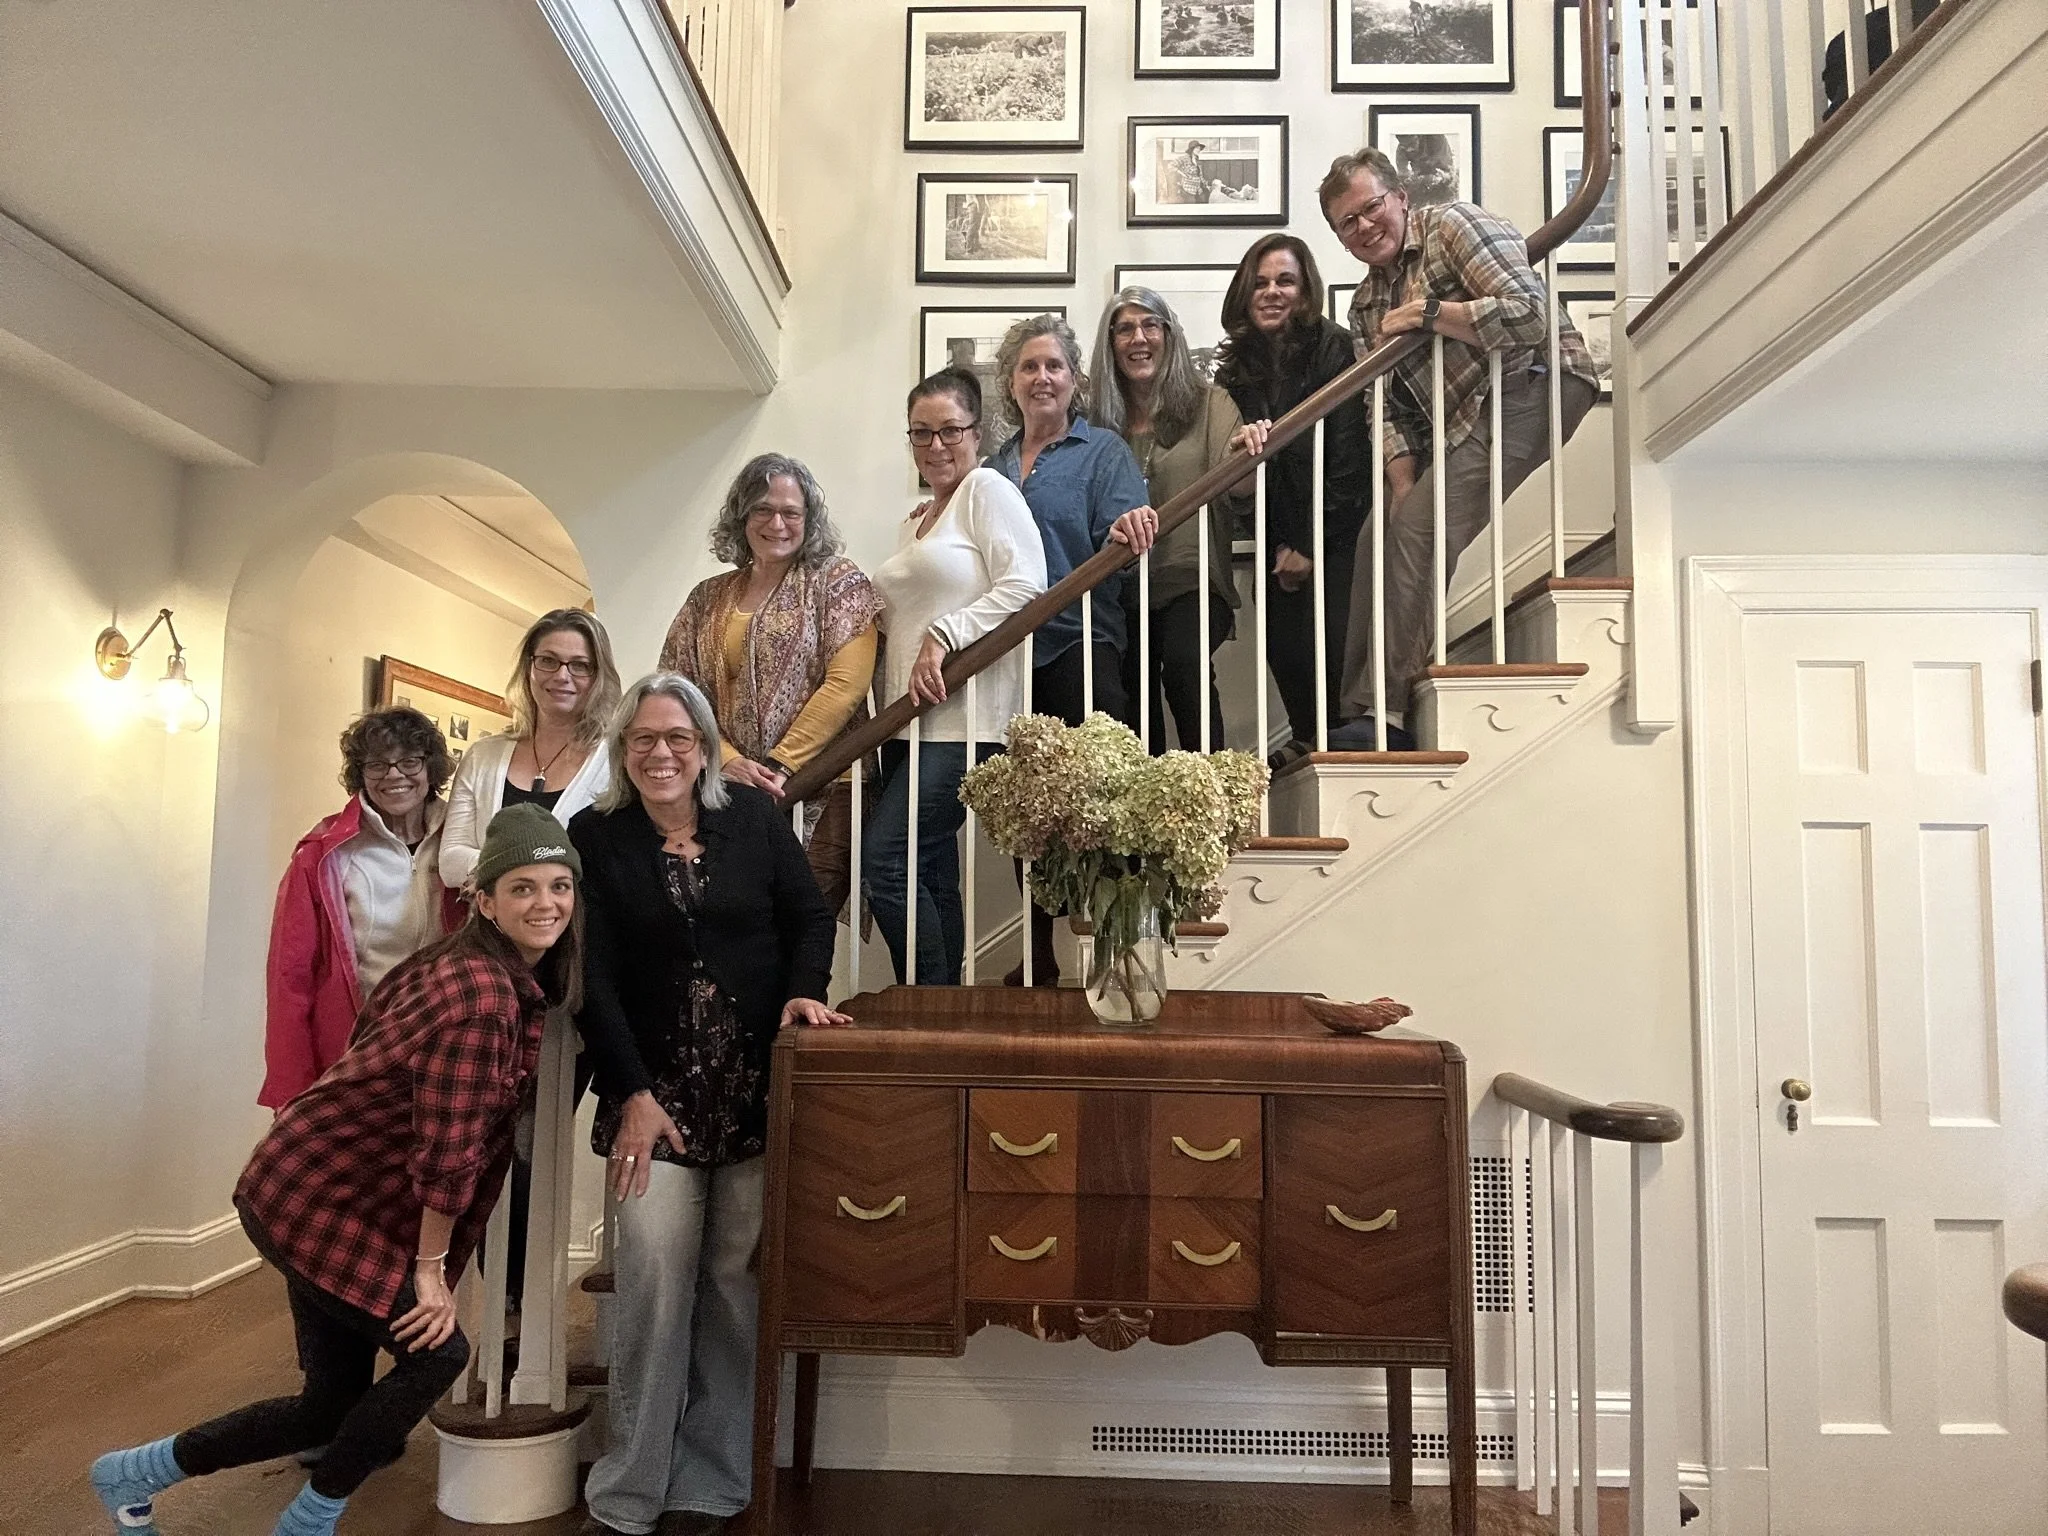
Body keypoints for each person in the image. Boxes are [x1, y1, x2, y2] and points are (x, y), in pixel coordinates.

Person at [90, 805, 583, 1536]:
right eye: (522, 887)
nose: (545, 903)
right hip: (319, 1200)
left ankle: (134, 1473)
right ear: (483, 900)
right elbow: (448, 1151)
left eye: (559, 886)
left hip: (298, 1182)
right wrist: (429, 1271)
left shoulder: (449, 962)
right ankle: (309, 1522)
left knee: (329, 1404)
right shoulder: (483, 998)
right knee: (436, 1353)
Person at [573, 674, 844, 1536]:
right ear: (623, 750)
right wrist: (631, 1094)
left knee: (733, 1287)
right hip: (652, 1103)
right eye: (643, 739)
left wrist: (805, 991)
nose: (661, 753)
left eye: (677, 738)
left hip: (753, 1095)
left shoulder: (754, 818)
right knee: (654, 1284)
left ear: (705, 748)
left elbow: (809, 918)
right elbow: (592, 980)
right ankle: (628, 1491)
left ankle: (710, 1484)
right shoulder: (596, 836)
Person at [1319, 146, 1601, 751]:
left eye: (1371, 208)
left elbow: (1529, 315)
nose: (1364, 226)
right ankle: (1357, 711)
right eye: (1347, 223)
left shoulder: (1454, 226)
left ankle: (1388, 712)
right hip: (1462, 418)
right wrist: (1400, 484)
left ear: (1401, 198)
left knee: (1421, 528)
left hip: (1538, 381)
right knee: (1379, 532)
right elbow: (1382, 404)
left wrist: (1428, 313)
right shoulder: (1365, 304)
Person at [985, 313, 1154, 984]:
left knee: (1103, 792)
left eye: (1054, 365)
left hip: (1083, 640)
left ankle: (1120, 949)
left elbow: (1124, 539)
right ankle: (1038, 951)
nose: (1042, 377)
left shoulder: (1102, 451)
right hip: (1009, 658)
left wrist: (1129, 525)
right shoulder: (991, 467)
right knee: (1027, 804)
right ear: (1011, 382)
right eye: (1029, 366)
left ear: (1075, 379)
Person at [866, 366, 1048, 984]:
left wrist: (945, 634)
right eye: (921, 433)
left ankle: (923, 1003)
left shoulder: (987, 490)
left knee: (886, 861)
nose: (936, 445)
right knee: (930, 868)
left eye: (950, 430)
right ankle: (946, 1003)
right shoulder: (916, 520)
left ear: (977, 432)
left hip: (965, 722)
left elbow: (1027, 584)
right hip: (904, 724)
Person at [659, 453, 882, 918]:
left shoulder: (837, 581)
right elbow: (677, 693)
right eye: (763, 509)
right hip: (731, 790)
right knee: (741, 924)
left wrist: (780, 766)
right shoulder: (706, 597)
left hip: (826, 783)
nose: (776, 523)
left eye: (790, 512)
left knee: (805, 921)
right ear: (742, 516)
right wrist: (728, 760)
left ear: (809, 519)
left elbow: (847, 684)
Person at [1215, 234, 1375, 767]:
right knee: (1285, 650)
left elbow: (1350, 460)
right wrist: (1280, 544)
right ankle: (1309, 742)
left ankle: (1341, 753)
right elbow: (1238, 464)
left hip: (1338, 533)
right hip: (1274, 536)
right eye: (1260, 282)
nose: (1272, 292)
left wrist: (1308, 545)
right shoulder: (1233, 370)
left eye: (1285, 281)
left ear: (1306, 291)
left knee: (1334, 651)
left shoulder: (1336, 348)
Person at [260, 706, 465, 1109]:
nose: (394, 775)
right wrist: (292, 1090)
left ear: (430, 768)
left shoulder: (464, 842)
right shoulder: (323, 854)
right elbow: (290, 977)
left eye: (409, 761)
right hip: (357, 1052)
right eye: (377, 764)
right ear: (361, 773)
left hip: (448, 1049)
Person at [1087, 287, 1248, 754]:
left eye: (1149, 325)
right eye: (1124, 329)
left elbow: (1241, 485)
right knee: (1132, 695)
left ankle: (1212, 785)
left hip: (1191, 578)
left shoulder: (1210, 403)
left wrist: (1254, 449)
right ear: (1110, 345)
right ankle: (1148, 795)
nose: (1138, 338)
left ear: (1169, 334)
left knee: (1183, 665)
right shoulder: (1098, 424)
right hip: (1123, 589)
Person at [441, 609, 621, 890]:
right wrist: (536, 866)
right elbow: (451, 862)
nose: (562, 675)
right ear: (528, 667)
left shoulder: (616, 762)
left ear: (599, 675)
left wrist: (496, 869)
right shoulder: (482, 757)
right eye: (548, 661)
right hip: (488, 920)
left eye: (580, 665)